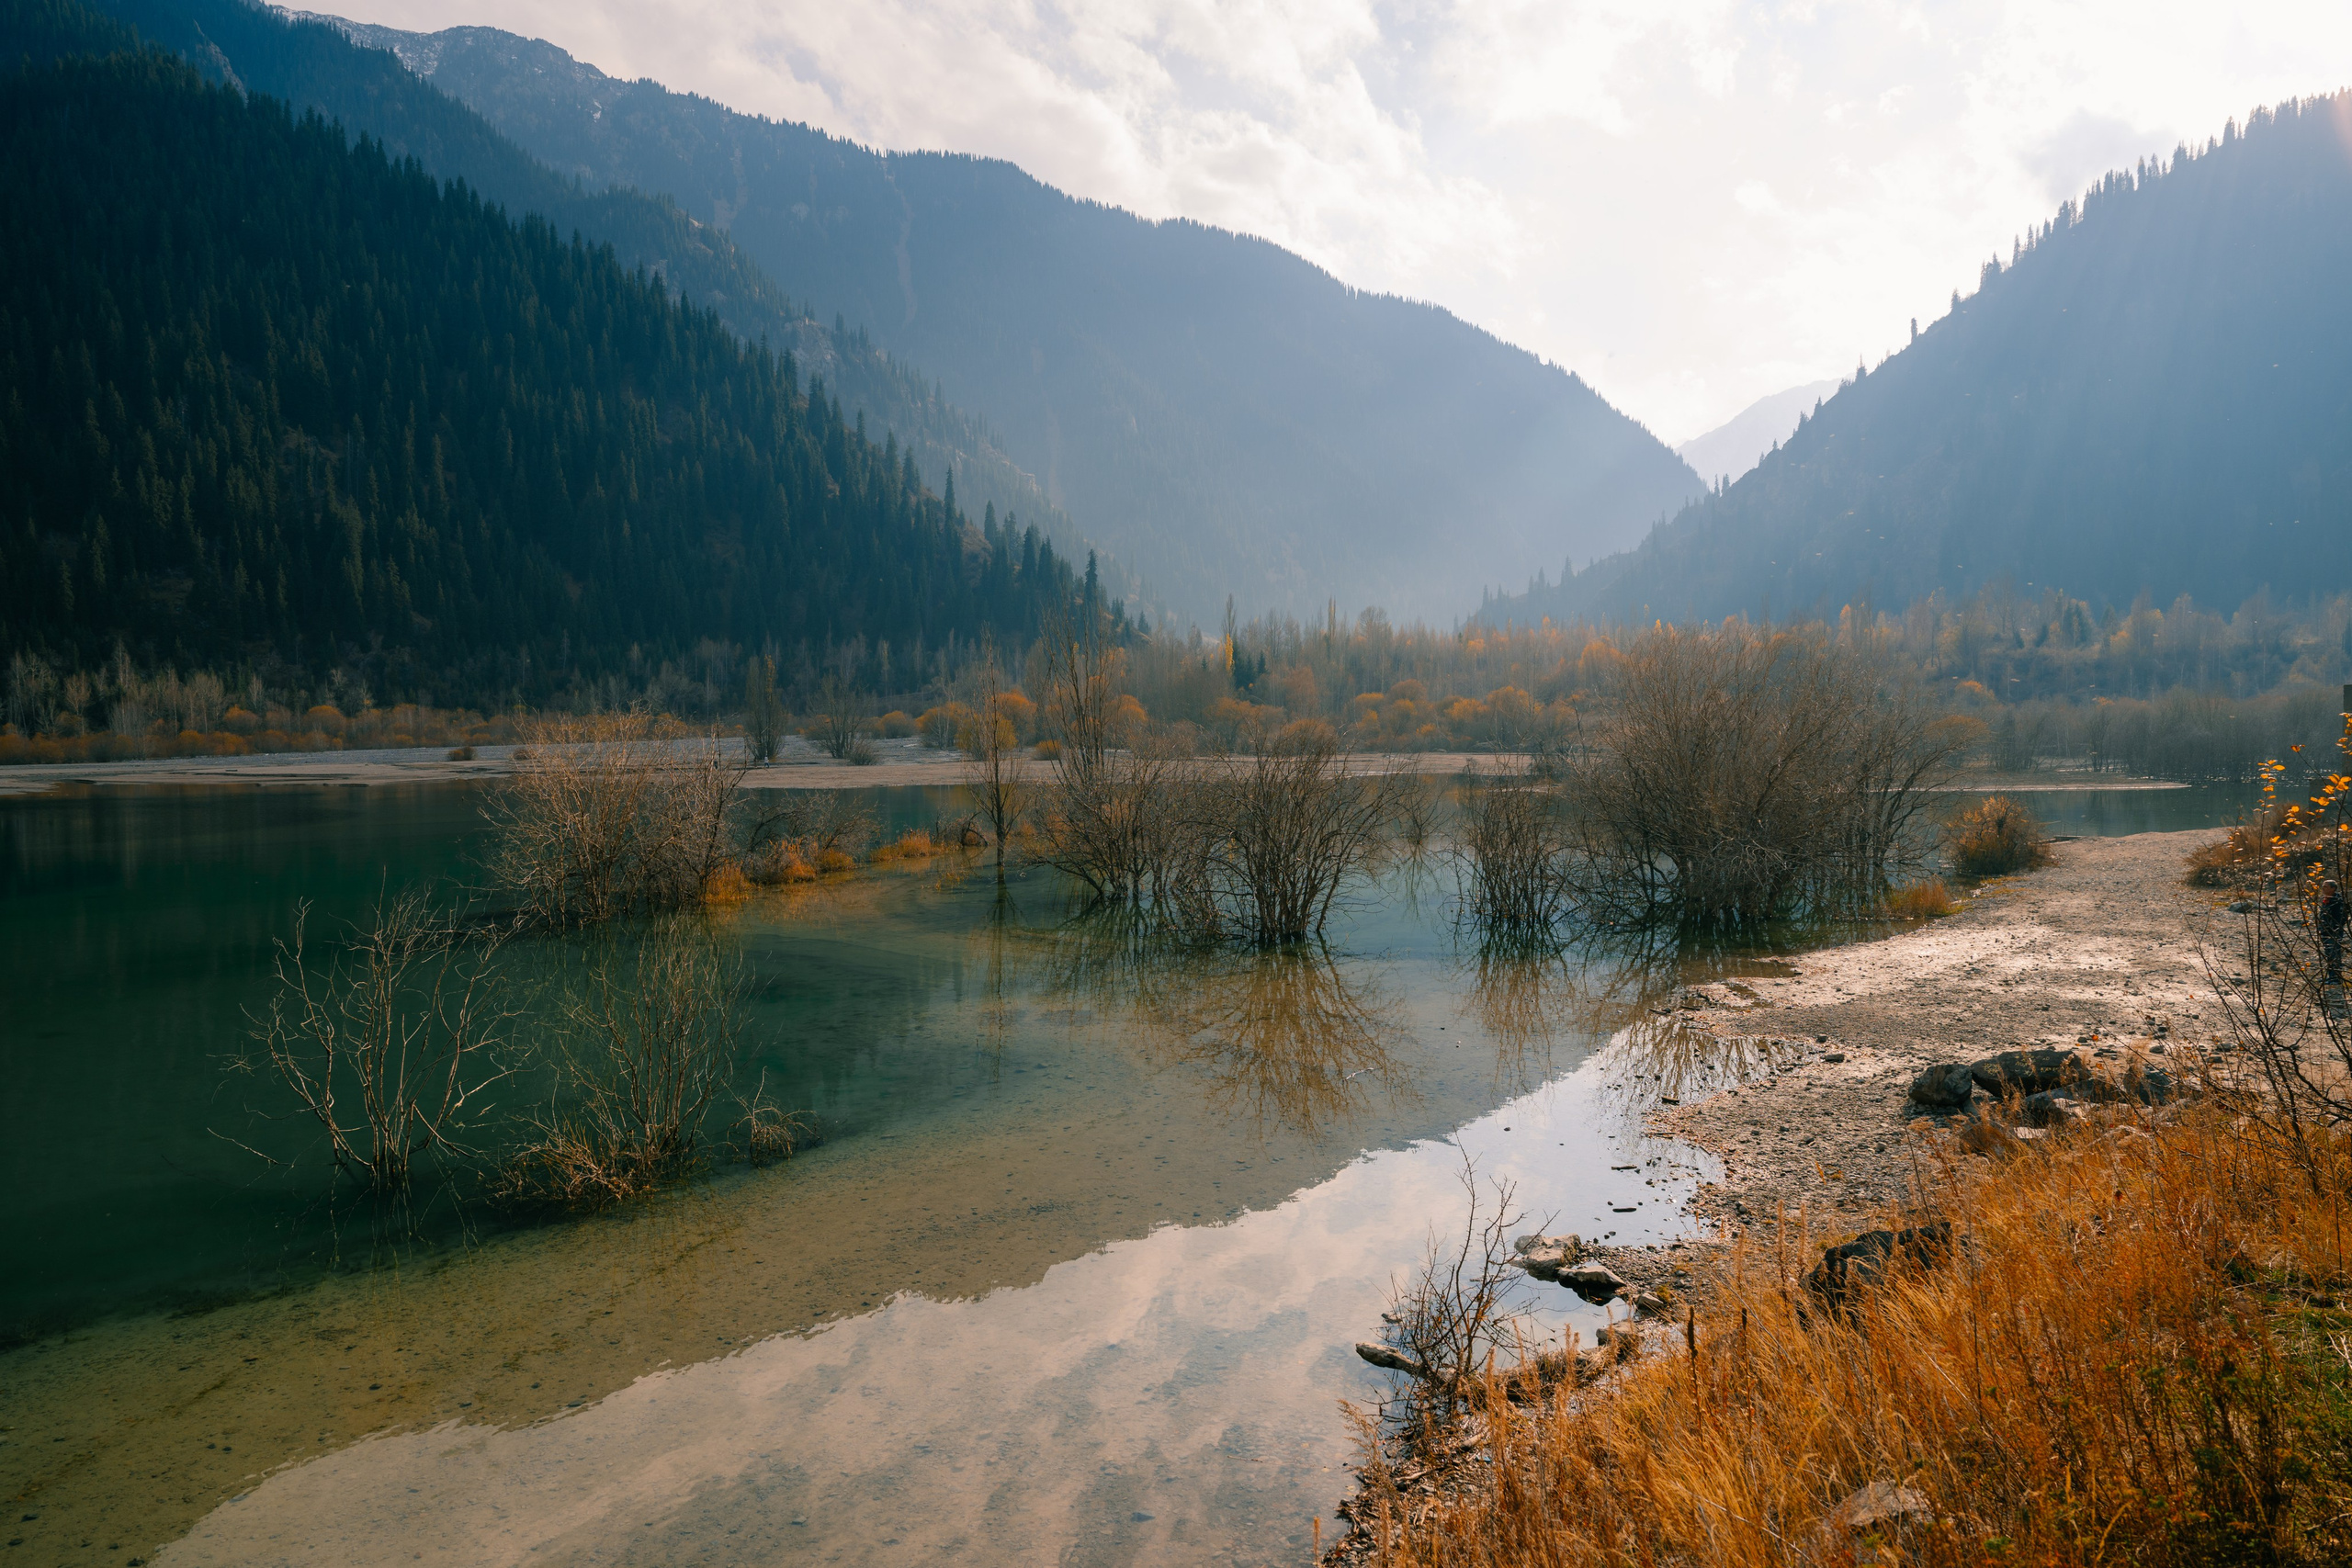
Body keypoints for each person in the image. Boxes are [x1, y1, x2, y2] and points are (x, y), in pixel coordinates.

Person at [2321, 878, 2347, 985]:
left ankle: (2335, 978)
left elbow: (2342, 917)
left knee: (2334, 953)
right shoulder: (2326, 899)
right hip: (2325, 931)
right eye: (2323, 886)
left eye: (2326, 886)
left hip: (2333, 932)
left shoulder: (2338, 901)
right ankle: (2331, 976)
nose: (2323, 888)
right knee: (2328, 953)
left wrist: (2335, 929)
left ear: (2333, 888)